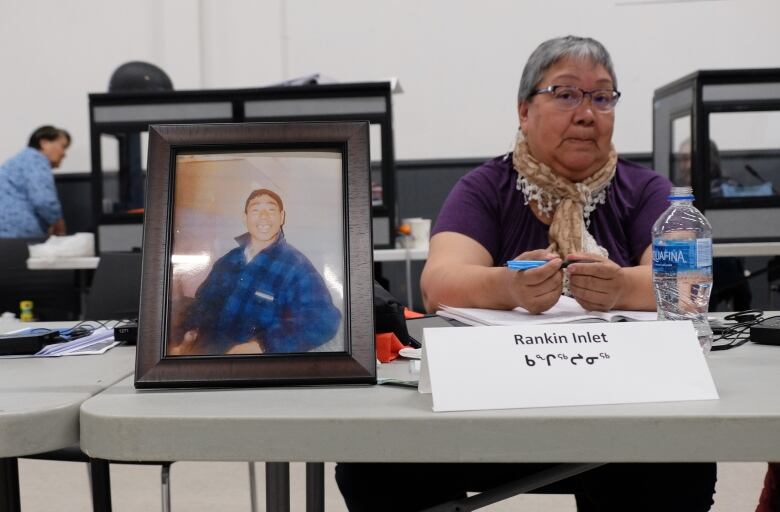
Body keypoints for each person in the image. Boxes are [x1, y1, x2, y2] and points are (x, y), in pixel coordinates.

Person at [336, 36, 716, 511]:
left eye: (602, 97)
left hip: (622, 407)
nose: (586, 113)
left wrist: (619, 287)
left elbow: (685, 282)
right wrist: (509, 286)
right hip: (489, 410)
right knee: (377, 464)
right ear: (523, 110)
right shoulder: (486, 188)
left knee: (677, 464)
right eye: (566, 94)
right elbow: (439, 282)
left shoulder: (644, 190)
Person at [171, 188, 341, 355]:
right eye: (256, 210)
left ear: (282, 217)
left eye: (271, 209)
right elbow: (204, 301)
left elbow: (324, 321)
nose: (264, 216)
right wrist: (184, 335)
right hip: (204, 351)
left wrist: (262, 345)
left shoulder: (297, 266)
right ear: (244, 218)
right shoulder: (228, 259)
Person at [0, 125, 69, 237]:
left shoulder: (22, 159)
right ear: (44, 143)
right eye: (63, 146)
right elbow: (43, 200)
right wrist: (58, 222)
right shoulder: (36, 160)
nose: (64, 154)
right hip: (17, 234)